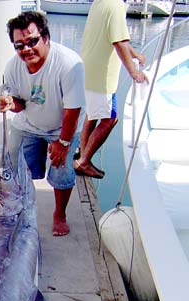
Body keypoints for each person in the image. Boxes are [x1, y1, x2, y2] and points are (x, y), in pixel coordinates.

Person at [0, 11, 85, 236]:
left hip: (62, 127)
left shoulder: (69, 63)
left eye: (32, 41)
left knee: (61, 173)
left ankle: (60, 215)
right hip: (28, 124)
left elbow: (73, 110)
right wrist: (9, 104)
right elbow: (20, 104)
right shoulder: (12, 67)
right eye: (19, 45)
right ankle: (17, 209)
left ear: (46, 37)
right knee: (13, 169)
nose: (26, 49)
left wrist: (63, 143)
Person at [74, 0, 148, 179]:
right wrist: (133, 71)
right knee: (110, 119)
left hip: (89, 70)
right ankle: (83, 162)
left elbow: (114, 36)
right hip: (103, 76)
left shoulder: (99, 3)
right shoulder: (116, 6)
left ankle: (83, 154)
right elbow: (119, 41)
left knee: (92, 115)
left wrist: (135, 54)